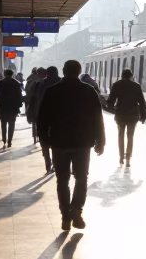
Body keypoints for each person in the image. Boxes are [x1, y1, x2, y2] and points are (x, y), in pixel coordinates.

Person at [35, 60, 106, 230]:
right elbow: (98, 117)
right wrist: (100, 141)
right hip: (83, 143)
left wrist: (45, 140)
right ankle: (77, 211)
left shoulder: (52, 91)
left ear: (64, 71)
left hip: (59, 142)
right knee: (81, 178)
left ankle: (65, 216)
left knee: (62, 180)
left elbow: (42, 118)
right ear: (79, 71)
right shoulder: (88, 90)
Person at [107, 68, 146, 167]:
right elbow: (142, 102)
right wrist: (143, 115)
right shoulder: (136, 86)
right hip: (133, 114)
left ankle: (121, 157)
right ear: (131, 76)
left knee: (120, 135)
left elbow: (111, 100)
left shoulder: (116, 85)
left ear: (122, 76)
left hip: (120, 114)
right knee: (130, 136)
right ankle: (128, 158)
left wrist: (113, 109)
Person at [31, 66, 61, 168]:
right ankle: (56, 162)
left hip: (42, 115)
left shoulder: (40, 84)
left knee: (44, 139)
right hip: (59, 117)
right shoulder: (62, 83)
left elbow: (34, 99)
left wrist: (31, 113)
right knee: (57, 141)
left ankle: (47, 161)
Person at [0, 69, 23, 148]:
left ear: (5, 74)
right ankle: (9, 140)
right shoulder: (17, 83)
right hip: (13, 107)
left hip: (2, 106)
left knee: (3, 123)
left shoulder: (0, 83)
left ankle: (4, 139)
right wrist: (20, 104)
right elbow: (19, 95)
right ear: (12, 74)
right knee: (11, 124)